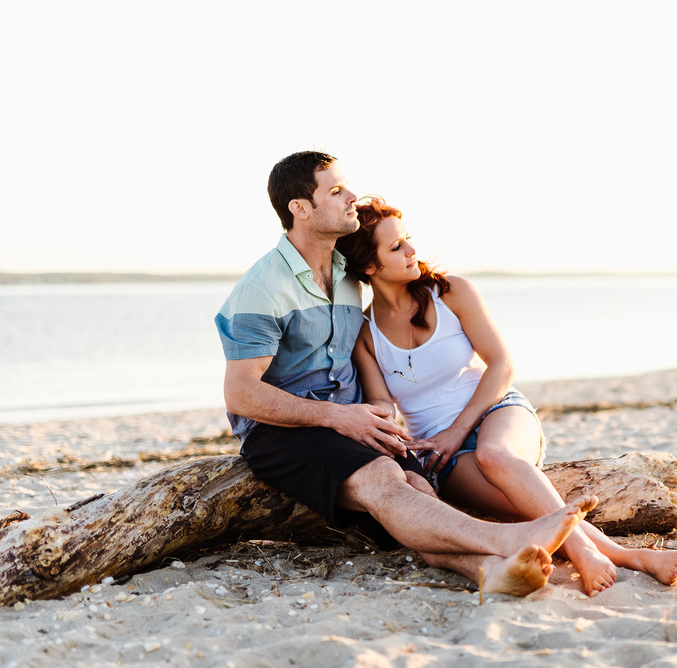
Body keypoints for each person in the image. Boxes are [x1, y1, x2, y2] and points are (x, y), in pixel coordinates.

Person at [215, 151, 599, 597]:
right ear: (299, 209)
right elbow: (239, 394)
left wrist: (375, 414)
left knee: (420, 493)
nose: (351, 198)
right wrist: (340, 418)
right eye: (336, 191)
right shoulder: (262, 288)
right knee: (383, 481)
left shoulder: (344, 274)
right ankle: (506, 539)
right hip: (282, 430)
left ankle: (489, 571)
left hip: (348, 422)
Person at [338, 196, 677, 597]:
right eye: (396, 247)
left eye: (408, 240)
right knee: (523, 511)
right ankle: (637, 558)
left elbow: (502, 364)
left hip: (498, 411)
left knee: (496, 456)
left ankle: (582, 556)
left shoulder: (450, 292)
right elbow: (383, 403)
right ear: (370, 266)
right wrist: (380, 426)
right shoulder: (365, 334)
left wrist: (458, 430)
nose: (412, 251)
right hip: (443, 454)